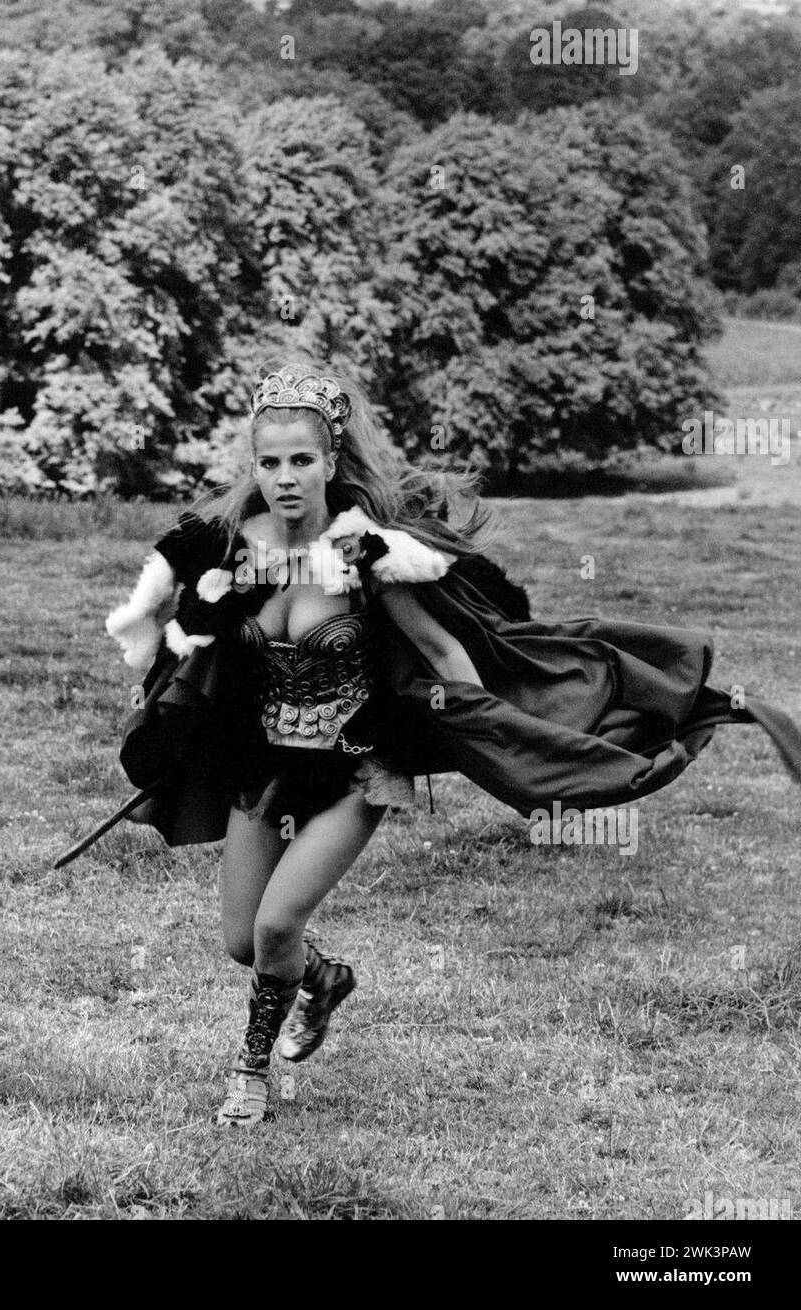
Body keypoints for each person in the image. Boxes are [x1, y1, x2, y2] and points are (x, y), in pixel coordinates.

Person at [104, 366, 801, 1127]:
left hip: (354, 772)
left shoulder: (367, 555)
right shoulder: (231, 556)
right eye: (269, 463)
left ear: (331, 462)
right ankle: (324, 979)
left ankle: (249, 1073)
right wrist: (173, 728)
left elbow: (441, 653)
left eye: (302, 460)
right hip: (261, 770)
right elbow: (194, 656)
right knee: (245, 940)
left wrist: (498, 728)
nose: (286, 478)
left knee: (276, 929)